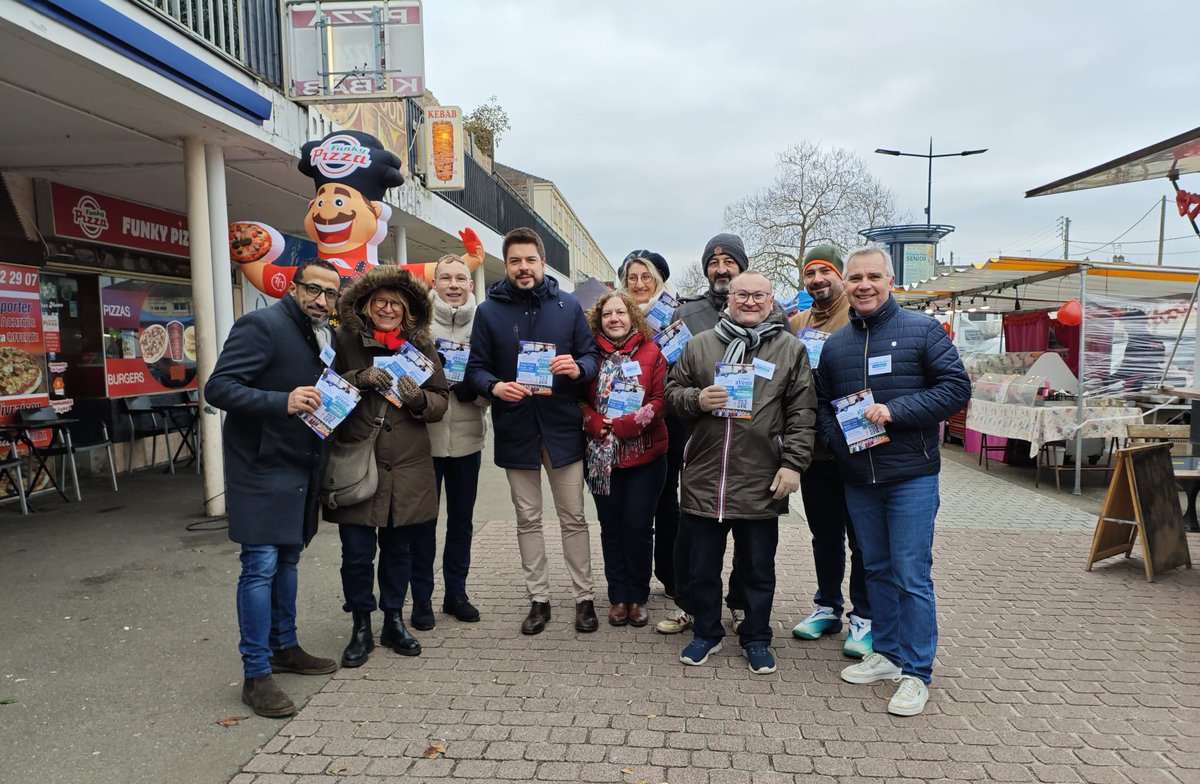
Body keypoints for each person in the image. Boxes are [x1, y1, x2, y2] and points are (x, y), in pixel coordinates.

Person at [817, 245, 970, 716]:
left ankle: (917, 673)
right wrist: (836, 443)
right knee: (876, 569)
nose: (864, 285)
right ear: (845, 284)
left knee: (910, 574)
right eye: (855, 277)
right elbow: (822, 404)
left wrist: (896, 411)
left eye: (873, 276)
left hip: (910, 476)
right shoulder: (836, 345)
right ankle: (886, 653)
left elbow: (955, 388)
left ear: (890, 281)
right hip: (859, 477)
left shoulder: (922, 330)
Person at [205, 258, 341, 719]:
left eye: (330, 293)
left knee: (288, 558)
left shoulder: (323, 335)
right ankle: (256, 673)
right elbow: (219, 388)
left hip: (301, 463)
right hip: (261, 466)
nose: (321, 300)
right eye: (313, 289)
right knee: (260, 565)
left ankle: (285, 646)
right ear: (295, 288)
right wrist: (282, 401)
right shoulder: (261, 325)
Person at [664, 270, 816, 675]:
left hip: (761, 478)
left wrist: (793, 464)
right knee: (701, 568)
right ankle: (707, 632)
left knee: (757, 569)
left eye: (759, 295)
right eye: (742, 295)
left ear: (771, 301)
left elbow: (803, 412)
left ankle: (757, 637)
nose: (750, 302)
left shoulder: (790, 349)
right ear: (729, 299)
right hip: (706, 477)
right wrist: (696, 399)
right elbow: (671, 393)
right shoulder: (699, 345)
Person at [466, 227, 601, 635]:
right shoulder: (488, 311)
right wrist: (495, 387)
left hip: (562, 428)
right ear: (506, 265)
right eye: (514, 261)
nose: (522, 268)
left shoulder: (568, 306)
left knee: (573, 517)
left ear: (543, 263)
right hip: (517, 428)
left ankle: (584, 597)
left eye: (529, 260)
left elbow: (591, 357)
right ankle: (538, 599)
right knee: (527, 518)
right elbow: (476, 369)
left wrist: (577, 368)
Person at [323, 266, 449, 667]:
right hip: (358, 462)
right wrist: (357, 377)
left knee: (399, 551)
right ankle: (361, 625)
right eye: (381, 302)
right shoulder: (344, 340)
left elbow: (440, 401)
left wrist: (418, 400)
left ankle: (393, 619)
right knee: (357, 555)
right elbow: (323, 390)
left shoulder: (421, 346)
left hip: (407, 467)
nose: (388, 309)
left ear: (409, 310)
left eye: (396, 303)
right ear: (366, 305)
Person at [656, 233, 750, 637]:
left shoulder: (768, 311)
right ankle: (690, 605)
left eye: (729, 262)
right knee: (692, 530)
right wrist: (696, 399)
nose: (721, 269)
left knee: (748, 531)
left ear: (742, 267)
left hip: (749, 442)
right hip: (696, 438)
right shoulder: (686, 312)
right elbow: (667, 376)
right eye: (714, 263)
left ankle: (741, 604)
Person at [786, 245, 873, 658]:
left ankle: (864, 615)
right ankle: (827, 606)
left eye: (825, 271)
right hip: (815, 451)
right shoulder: (796, 323)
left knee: (862, 539)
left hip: (857, 447)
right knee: (824, 536)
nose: (817, 279)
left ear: (839, 276)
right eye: (810, 273)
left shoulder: (857, 315)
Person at [579, 291, 668, 627]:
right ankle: (618, 595)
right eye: (607, 314)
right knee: (611, 528)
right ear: (599, 320)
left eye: (620, 312)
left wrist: (625, 424)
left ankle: (638, 595)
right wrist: (593, 421)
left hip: (645, 455)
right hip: (602, 458)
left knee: (639, 528)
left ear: (633, 316)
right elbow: (577, 399)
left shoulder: (652, 351)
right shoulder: (589, 354)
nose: (614, 319)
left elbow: (660, 399)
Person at [616, 250, 681, 608]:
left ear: (658, 280)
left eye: (646, 277)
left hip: (667, 416)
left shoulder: (675, 315)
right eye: (632, 277)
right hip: (623, 420)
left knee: (667, 500)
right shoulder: (615, 314)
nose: (639, 284)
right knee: (631, 507)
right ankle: (631, 578)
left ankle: (670, 573)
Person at [427, 254, 488, 623]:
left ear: (470, 283)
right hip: (424, 440)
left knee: (461, 522)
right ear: (434, 283)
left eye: (460, 278)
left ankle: (456, 593)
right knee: (421, 523)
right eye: (446, 278)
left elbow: (495, 377)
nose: (453, 285)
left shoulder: (483, 323)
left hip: (468, 439)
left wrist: (476, 392)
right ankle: (421, 596)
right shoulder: (417, 322)